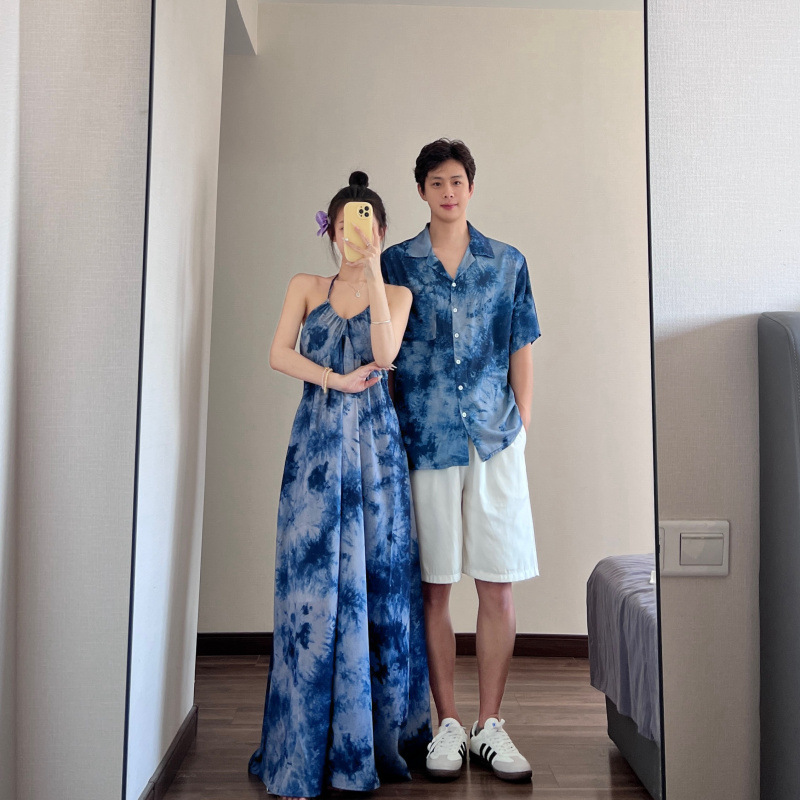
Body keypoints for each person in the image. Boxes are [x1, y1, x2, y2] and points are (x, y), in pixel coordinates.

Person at [248, 171, 432, 799]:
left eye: (368, 224)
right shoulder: (306, 286)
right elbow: (279, 353)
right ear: (331, 229)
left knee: (375, 584)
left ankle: (368, 744)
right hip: (316, 449)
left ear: (380, 229)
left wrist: (374, 269)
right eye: (349, 224)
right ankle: (305, 747)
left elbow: (385, 354)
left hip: (376, 453)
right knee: (311, 593)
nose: (358, 234)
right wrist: (332, 380)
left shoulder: (398, 292)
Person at [381, 140, 541, 783]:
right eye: (436, 182)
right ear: (421, 190)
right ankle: (447, 723)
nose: (448, 192)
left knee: (497, 583)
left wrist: (521, 424)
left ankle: (490, 724)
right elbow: (382, 349)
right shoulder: (396, 263)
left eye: (457, 181)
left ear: (471, 187)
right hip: (426, 442)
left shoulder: (507, 263)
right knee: (435, 585)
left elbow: (521, 344)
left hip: (494, 439)